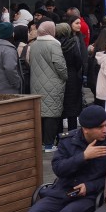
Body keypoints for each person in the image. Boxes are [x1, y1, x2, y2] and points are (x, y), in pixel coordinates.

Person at [27, 21, 68, 151]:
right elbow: (60, 65)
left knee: (40, 113)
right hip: (53, 84)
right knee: (51, 114)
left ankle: (40, 143)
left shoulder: (34, 45)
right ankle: (49, 145)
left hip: (36, 83)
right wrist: (65, 76)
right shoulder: (54, 45)